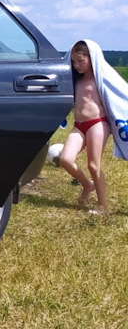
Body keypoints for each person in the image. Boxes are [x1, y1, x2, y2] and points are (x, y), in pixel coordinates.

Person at [58, 39, 128, 214]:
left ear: (92, 58)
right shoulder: (75, 79)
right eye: (73, 61)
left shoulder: (102, 78)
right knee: (65, 159)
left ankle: (102, 206)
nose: (77, 65)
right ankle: (87, 185)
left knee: (93, 165)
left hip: (98, 123)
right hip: (79, 124)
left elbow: (121, 93)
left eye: (81, 61)